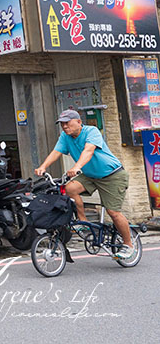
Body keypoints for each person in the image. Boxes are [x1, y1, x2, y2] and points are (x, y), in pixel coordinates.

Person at [34, 109, 133, 259]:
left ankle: (128, 245)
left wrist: (76, 167)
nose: (64, 126)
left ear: (79, 122)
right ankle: (83, 220)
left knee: (113, 212)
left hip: (112, 175)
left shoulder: (91, 131)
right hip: (90, 175)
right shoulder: (65, 137)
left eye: (67, 123)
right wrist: (43, 166)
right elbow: (56, 152)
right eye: (62, 124)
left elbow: (88, 151)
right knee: (69, 189)